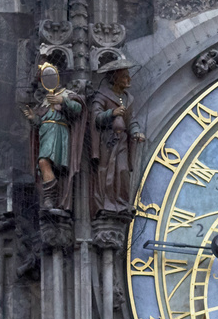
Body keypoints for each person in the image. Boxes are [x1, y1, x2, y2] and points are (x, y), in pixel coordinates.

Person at [22, 62, 86, 213]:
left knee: (44, 161)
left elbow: (78, 109)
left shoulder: (66, 94)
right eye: (44, 79)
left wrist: (63, 101)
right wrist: (33, 118)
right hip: (45, 133)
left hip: (58, 132)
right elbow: (40, 123)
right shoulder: (45, 100)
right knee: (45, 163)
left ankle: (50, 197)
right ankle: (51, 196)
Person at [90, 59, 146, 217]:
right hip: (107, 141)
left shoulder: (128, 98)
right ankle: (106, 204)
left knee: (122, 170)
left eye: (128, 76)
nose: (129, 79)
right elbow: (96, 117)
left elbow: (131, 120)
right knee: (107, 171)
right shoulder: (102, 95)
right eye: (124, 76)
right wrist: (111, 113)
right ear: (115, 78)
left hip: (122, 141)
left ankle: (121, 203)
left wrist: (135, 132)